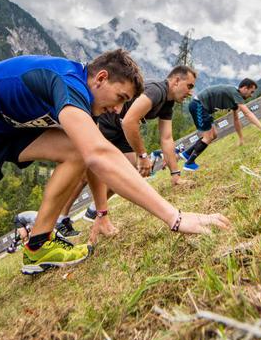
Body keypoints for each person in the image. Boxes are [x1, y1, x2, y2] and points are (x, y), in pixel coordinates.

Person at [0, 50, 230, 335]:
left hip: (8, 129)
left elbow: (91, 156)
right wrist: (175, 217)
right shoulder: (70, 84)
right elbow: (100, 156)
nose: (118, 110)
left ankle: (39, 244)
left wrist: (102, 214)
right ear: (100, 78)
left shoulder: (84, 94)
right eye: (119, 98)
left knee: (76, 149)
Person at [84, 65, 198, 241]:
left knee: (128, 170)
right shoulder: (156, 90)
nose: (190, 92)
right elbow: (130, 121)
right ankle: (62, 218)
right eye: (189, 86)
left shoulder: (167, 103)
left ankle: (95, 209)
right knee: (83, 170)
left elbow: (166, 138)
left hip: (120, 129)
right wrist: (143, 156)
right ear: (176, 81)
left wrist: (176, 176)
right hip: (107, 123)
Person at [180, 79, 261, 171]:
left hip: (202, 107)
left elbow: (236, 120)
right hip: (198, 105)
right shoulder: (235, 93)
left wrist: (241, 138)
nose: (252, 95)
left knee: (214, 135)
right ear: (245, 88)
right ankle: (189, 163)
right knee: (208, 137)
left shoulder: (234, 99)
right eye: (251, 92)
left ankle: (187, 154)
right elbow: (248, 113)